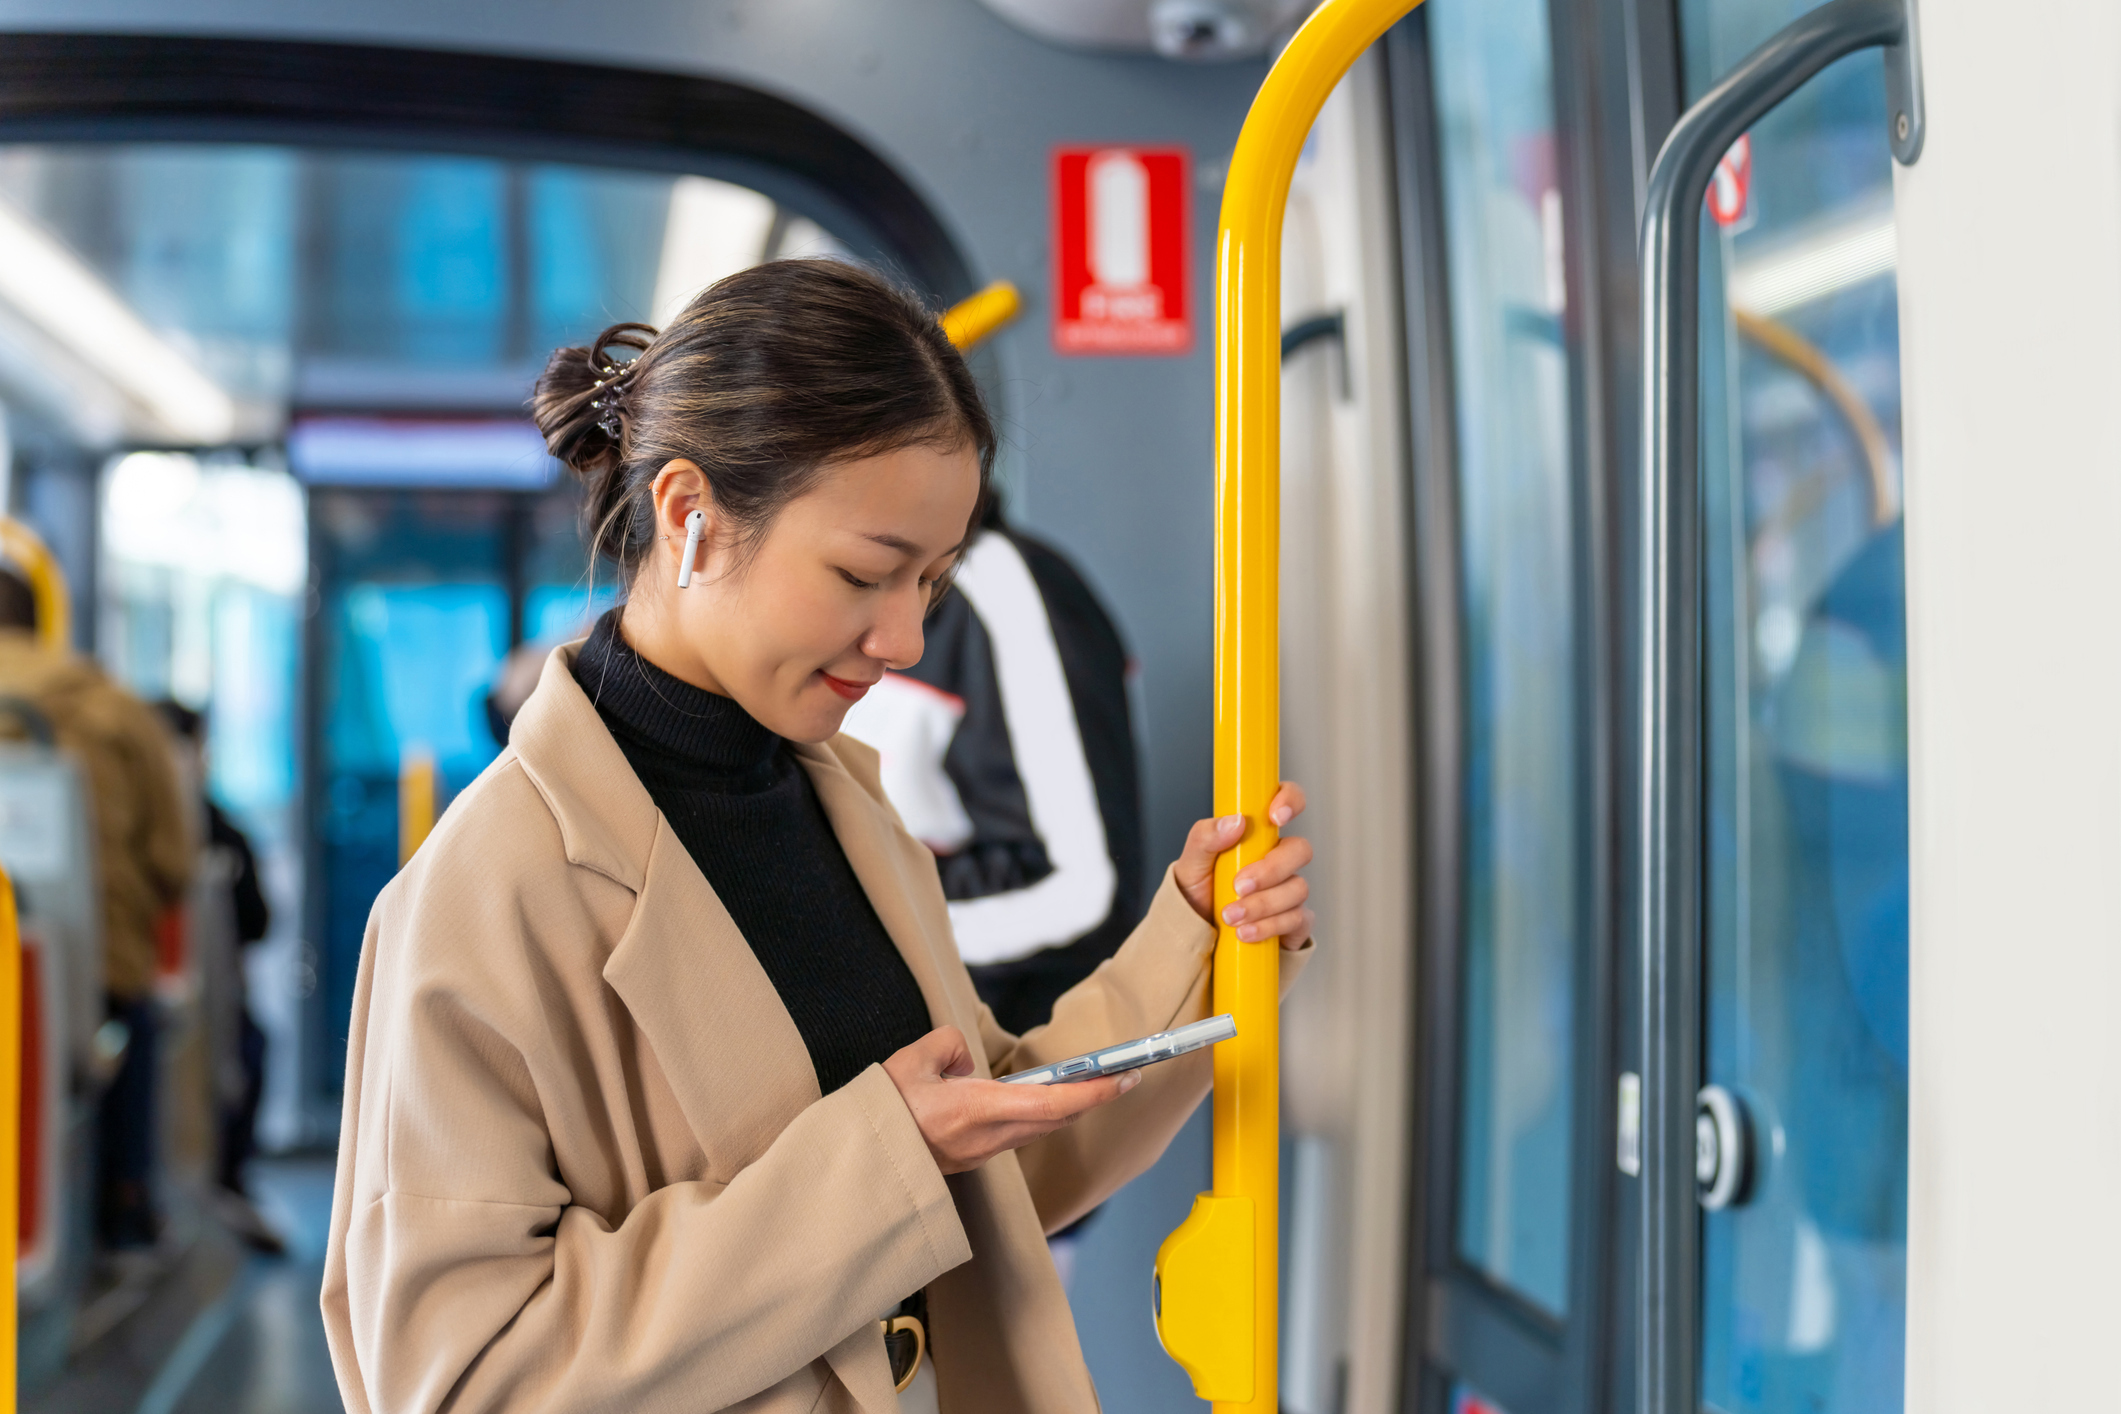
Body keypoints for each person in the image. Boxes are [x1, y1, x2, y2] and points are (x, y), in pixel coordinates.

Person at [321, 259, 1317, 1414]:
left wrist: (1194, 941)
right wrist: (877, 1165)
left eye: (932, 585)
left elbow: (979, 1154)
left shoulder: (842, 798)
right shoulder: (482, 897)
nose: (901, 638)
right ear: (691, 516)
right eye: (864, 574)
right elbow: (466, 1379)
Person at [0, 562, 190, 1253]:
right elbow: (173, 857)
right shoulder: (113, 709)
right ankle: (124, 1205)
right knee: (127, 1025)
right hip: (95, 973)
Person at [152, 700, 284, 1255]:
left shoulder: (218, 829)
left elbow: (258, 920)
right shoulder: (219, 829)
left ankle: (223, 1176)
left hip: (203, 994)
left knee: (248, 1047)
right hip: (186, 994)